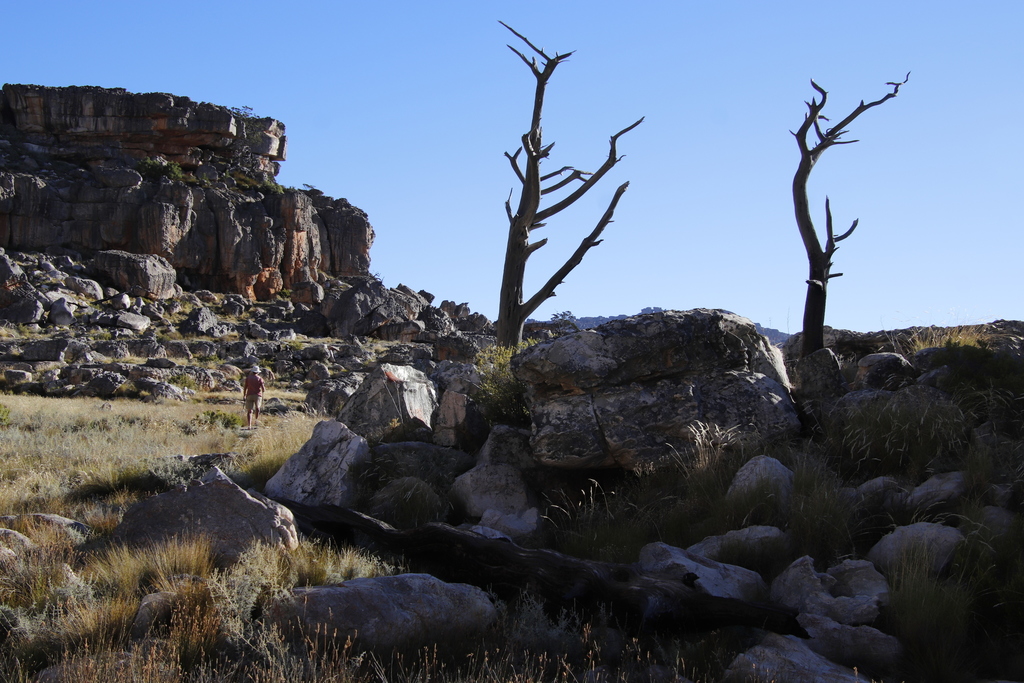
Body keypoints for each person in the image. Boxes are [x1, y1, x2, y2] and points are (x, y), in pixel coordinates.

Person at [242, 365, 265, 429]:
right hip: (257, 395)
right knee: (257, 408)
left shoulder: (248, 378)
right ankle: (256, 421)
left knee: (249, 411)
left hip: (249, 395)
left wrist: (244, 395)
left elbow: (245, 388)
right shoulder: (260, 379)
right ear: (257, 372)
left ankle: (249, 425)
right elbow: (263, 389)